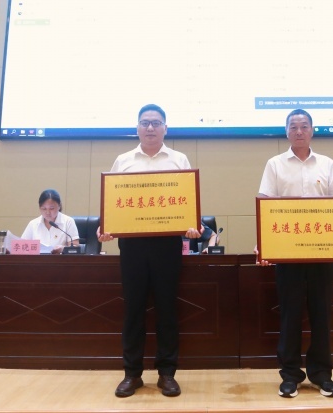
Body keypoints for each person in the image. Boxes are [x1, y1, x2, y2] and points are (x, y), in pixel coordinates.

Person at [97, 104, 202, 398]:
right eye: (145, 123)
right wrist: (106, 226)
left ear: (166, 128)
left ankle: (167, 373)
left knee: (167, 309)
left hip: (167, 245)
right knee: (133, 309)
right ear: (137, 128)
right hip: (132, 246)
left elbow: (187, 202)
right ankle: (132, 374)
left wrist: (192, 225)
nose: (151, 128)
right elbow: (113, 203)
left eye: (156, 123)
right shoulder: (123, 161)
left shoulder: (179, 160)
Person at [257, 109, 333, 399]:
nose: (299, 131)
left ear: (312, 130)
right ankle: (290, 375)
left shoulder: (326, 164)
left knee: (321, 314)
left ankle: (321, 374)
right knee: (290, 315)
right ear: (287, 132)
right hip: (287, 252)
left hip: (321, 251)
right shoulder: (275, 164)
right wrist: (264, 244)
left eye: (304, 126)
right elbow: (265, 202)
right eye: (293, 126)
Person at [22, 189, 79, 254]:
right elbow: (22, 247)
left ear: (59, 206)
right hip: (38, 260)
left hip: (60, 259)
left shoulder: (68, 221)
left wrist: (62, 249)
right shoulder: (33, 224)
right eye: (44, 209)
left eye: (51, 208)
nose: (48, 212)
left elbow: (75, 248)